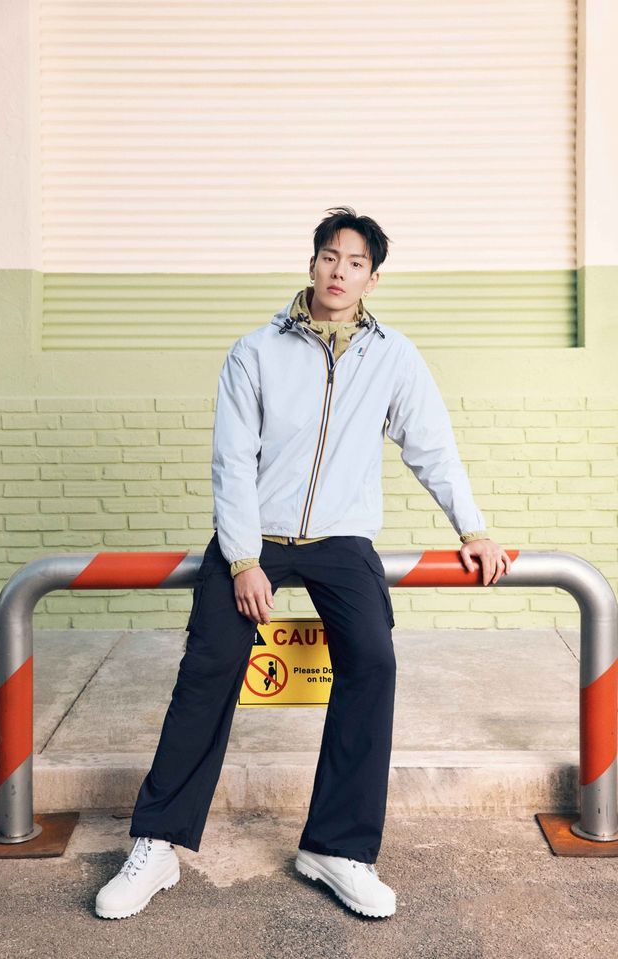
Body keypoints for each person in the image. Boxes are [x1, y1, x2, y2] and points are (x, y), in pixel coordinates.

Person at [95, 207, 511, 920]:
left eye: (355, 262)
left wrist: (471, 527)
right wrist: (243, 559)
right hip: (255, 536)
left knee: (373, 662)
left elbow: (432, 446)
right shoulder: (255, 351)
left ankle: (337, 849)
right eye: (329, 257)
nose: (339, 271)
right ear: (312, 263)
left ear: (372, 279)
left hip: (342, 540)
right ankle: (157, 843)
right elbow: (232, 461)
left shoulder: (393, 357)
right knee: (208, 668)